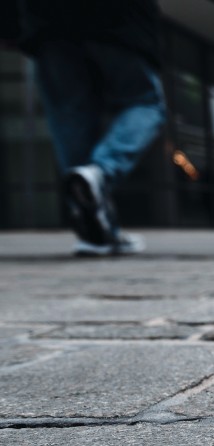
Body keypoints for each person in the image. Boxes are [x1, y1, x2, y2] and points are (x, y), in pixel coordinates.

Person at [16, 0, 167, 255]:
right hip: (117, 20)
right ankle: (102, 171)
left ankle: (94, 233)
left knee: (71, 119)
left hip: (47, 21)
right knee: (146, 104)